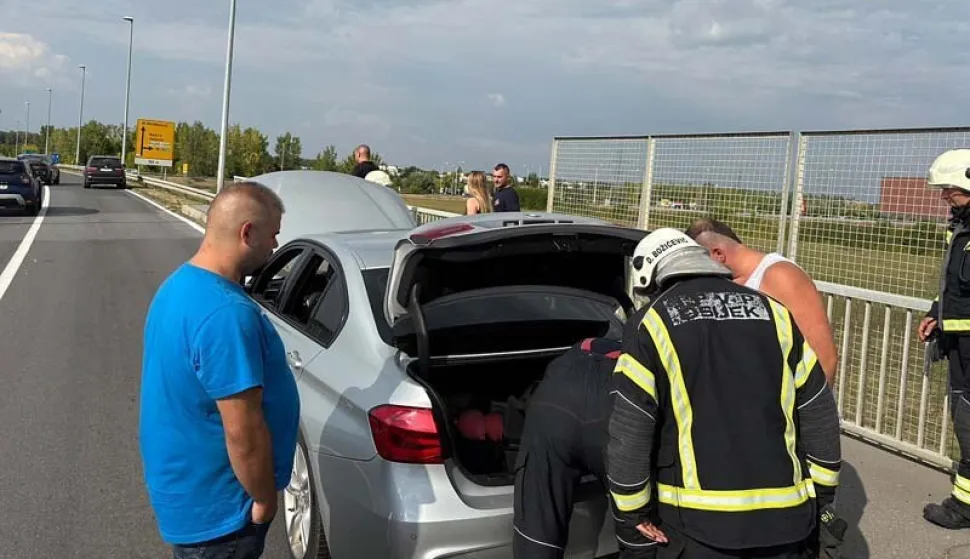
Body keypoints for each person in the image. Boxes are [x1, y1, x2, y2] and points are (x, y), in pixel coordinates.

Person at [606, 227, 846, 558]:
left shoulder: (653, 322)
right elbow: (819, 411)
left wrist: (630, 513)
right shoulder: (775, 313)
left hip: (698, 528)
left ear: (652, 278)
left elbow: (631, 430)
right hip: (789, 521)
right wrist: (822, 498)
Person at [139, 181, 301, 558]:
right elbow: (242, 428)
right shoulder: (226, 314)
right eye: (273, 235)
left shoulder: (179, 285)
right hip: (221, 512)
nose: (275, 247)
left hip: (188, 495)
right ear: (248, 232)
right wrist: (263, 499)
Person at [512, 337, 657, 558]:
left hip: (555, 404)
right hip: (612, 407)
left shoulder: (561, 365)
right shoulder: (643, 347)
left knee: (537, 535)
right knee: (639, 534)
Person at [685, 218, 839, 386]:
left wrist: (816, 410)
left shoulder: (781, 276)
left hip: (784, 407)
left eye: (699, 264)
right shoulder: (728, 282)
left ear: (718, 254)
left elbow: (824, 357)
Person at [919, 148, 970, 530]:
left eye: (950, 189)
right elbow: (954, 286)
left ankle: (965, 507)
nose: (944, 197)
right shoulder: (962, 229)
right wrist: (936, 314)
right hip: (960, 346)